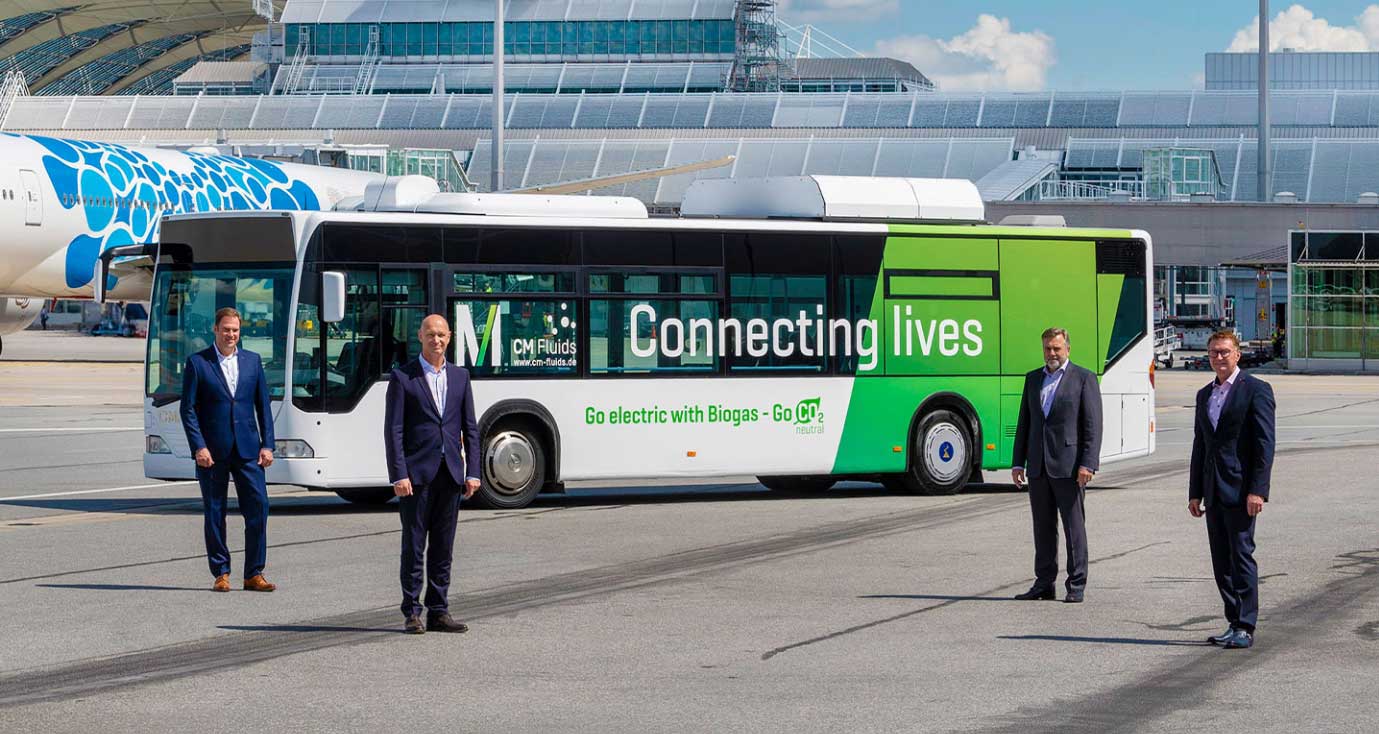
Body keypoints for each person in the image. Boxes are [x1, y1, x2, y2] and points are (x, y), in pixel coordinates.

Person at [384, 314, 481, 635]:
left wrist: (474, 472)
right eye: (430, 335)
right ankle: (412, 611)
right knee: (414, 546)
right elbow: (394, 431)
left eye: (441, 335)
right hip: (416, 476)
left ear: (449, 338)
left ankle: (439, 610)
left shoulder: (461, 376)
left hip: (451, 475)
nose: (435, 340)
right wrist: (399, 473)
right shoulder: (403, 378)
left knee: (443, 547)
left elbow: (471, 428)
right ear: (420, 337)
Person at [1189, 330, 1276, 650]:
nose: (1219, 358)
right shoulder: (1205, 394)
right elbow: (1201, 445)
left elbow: (1264, 445)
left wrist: (1258, 490)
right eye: (1213, 353)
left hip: (1241, 491)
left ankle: (1246, 624)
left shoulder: (1256, 390)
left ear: (1238, 354)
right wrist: (1194, 492)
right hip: (1212, 491)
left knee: (1241, 557)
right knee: (1221, 561)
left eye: (1225, 352)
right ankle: (1232, 620)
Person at [180, 307, 277, 593]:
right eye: (226, 329)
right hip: (213, 452)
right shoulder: (198, 363)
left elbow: (263, 406)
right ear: (215, 330)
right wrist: (199, 446)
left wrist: (267, 445)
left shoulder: (252, 361)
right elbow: (188, 410)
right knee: (215, 511)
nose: (230, 335)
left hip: (248, 449)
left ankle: (254, 573)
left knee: (259, 508)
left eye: (235, 330)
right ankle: (221, 572)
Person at [1011, 327, 1103, 604]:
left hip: (1069, 467)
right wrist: (1018, 463)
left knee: (1074, 527)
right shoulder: (1033, 379)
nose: (1052, 353)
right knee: (1042, 527)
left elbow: (1092, 425)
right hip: (1038, 467)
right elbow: (1024, 423)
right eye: (1048, 348)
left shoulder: (1084, 378)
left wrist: (1088, 463)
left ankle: (1076, 584)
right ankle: (1044, 582)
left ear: (1068, 349)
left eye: (1057, 348)